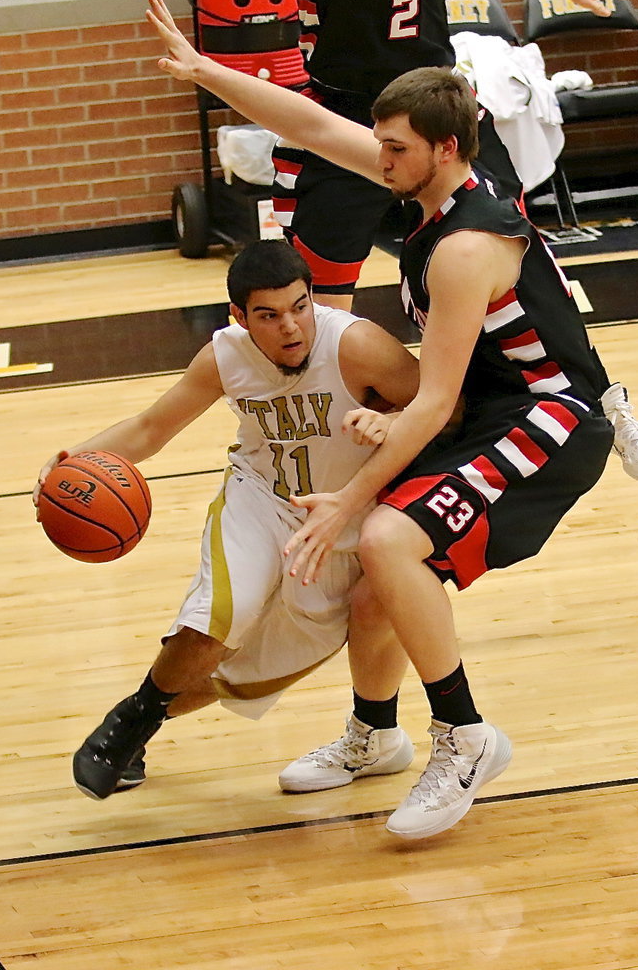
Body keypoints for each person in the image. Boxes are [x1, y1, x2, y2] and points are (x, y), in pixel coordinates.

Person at [148, 0, 616, 839]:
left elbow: (432, 402)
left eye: (393, 149)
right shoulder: (434, 182)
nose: (379, 159)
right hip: (494, 409)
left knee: (386, 539)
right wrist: (207, 70)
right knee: (378, 582)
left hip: (550, 419)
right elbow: (315, 127)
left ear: (442, 150)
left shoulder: (468, 248)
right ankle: (375, 734)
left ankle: (466, 737)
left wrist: (350, 500)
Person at [181, 0, 638, 485]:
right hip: (345, 122)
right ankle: (324, 453)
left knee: (529, 271)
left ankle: (602, 401)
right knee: (320, 309)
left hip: (440, 115)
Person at [37, 238, 421, 801]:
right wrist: (75, 459)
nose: (290, 327)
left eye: (300, 307)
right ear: (239, 318)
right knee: (224, 613)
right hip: (261, 499)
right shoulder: (225, 356)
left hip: (344, 524)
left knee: (237, 673)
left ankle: (142, 718)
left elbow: (446, 407)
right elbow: (150, 429)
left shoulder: (358, 346)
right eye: (268, 315)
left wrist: (397, 423)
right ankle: (124, 728)